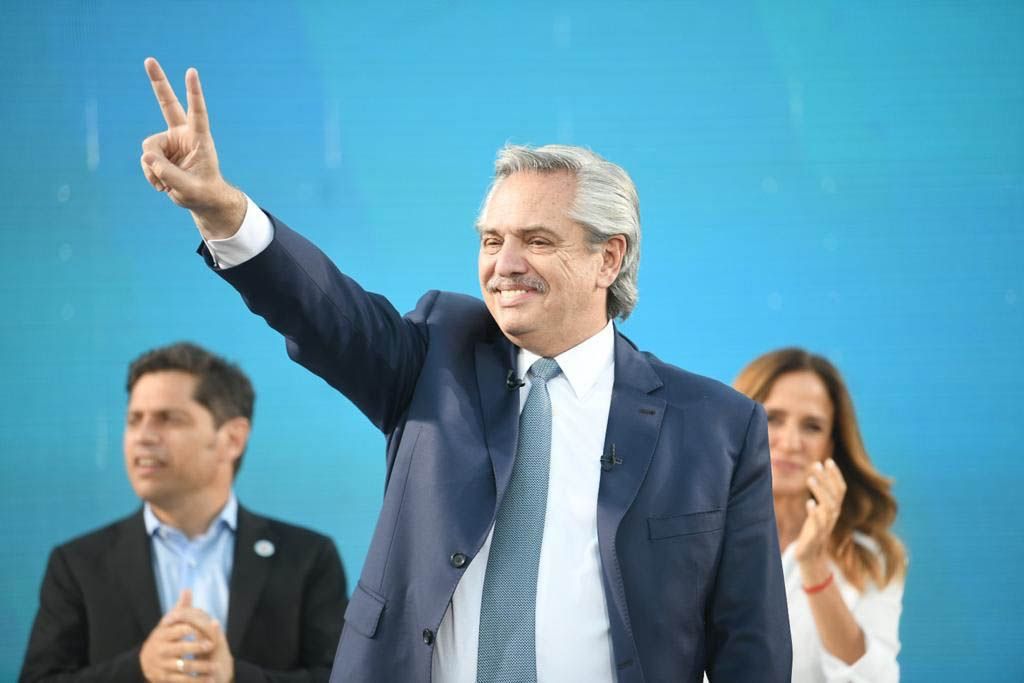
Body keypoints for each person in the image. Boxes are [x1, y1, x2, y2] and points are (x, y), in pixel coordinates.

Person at [137, 57, 792, 682]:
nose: (504, 264)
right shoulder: (435, 355)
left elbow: (751, 650)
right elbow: (324, 311)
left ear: (608, 258)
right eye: (491, 239)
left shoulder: (718, 427)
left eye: (537, 240)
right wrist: (222, 211)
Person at [19, 342, 348, 683]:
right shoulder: (78, 565)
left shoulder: (308, 559)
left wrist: (235, 677)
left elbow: (344, 677)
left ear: (232, 439)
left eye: (168, 419)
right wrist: (139, 669)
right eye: (134, 420)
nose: (143, 437)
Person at [733, 348, 907, 682]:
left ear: (831, 445)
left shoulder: (873, 558)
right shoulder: (694, 537)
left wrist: (814, 565)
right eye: (773, 418)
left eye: (812, 426)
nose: (790, 442)